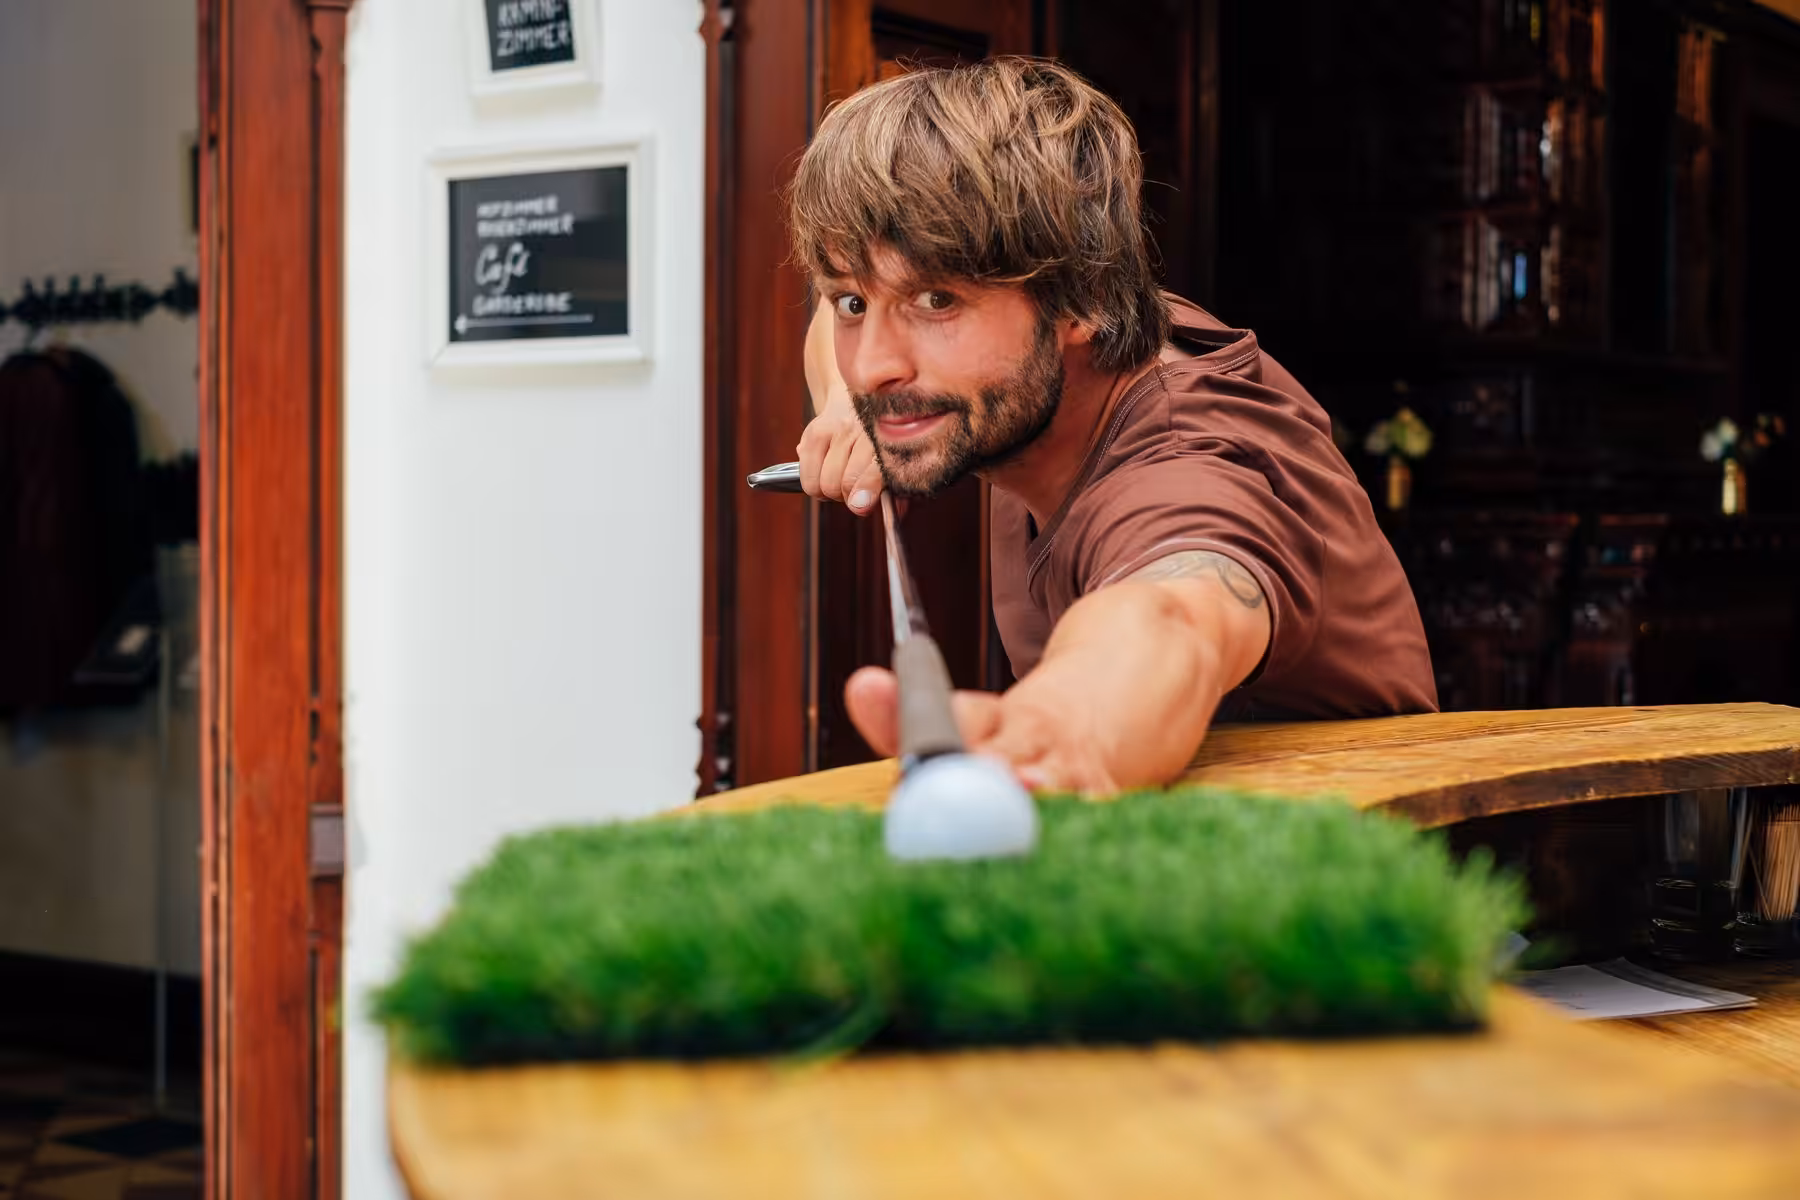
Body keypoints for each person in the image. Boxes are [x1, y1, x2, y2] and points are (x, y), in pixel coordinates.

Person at [789, 56, 1435, 795]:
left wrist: (1066, 728)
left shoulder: (1187, 456)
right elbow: (833, 330)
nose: (874, 365)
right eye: (854, 303)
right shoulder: (1048, 359)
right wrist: (844, 405)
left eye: (937, 301)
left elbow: (1178, 610)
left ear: (1083, 298)